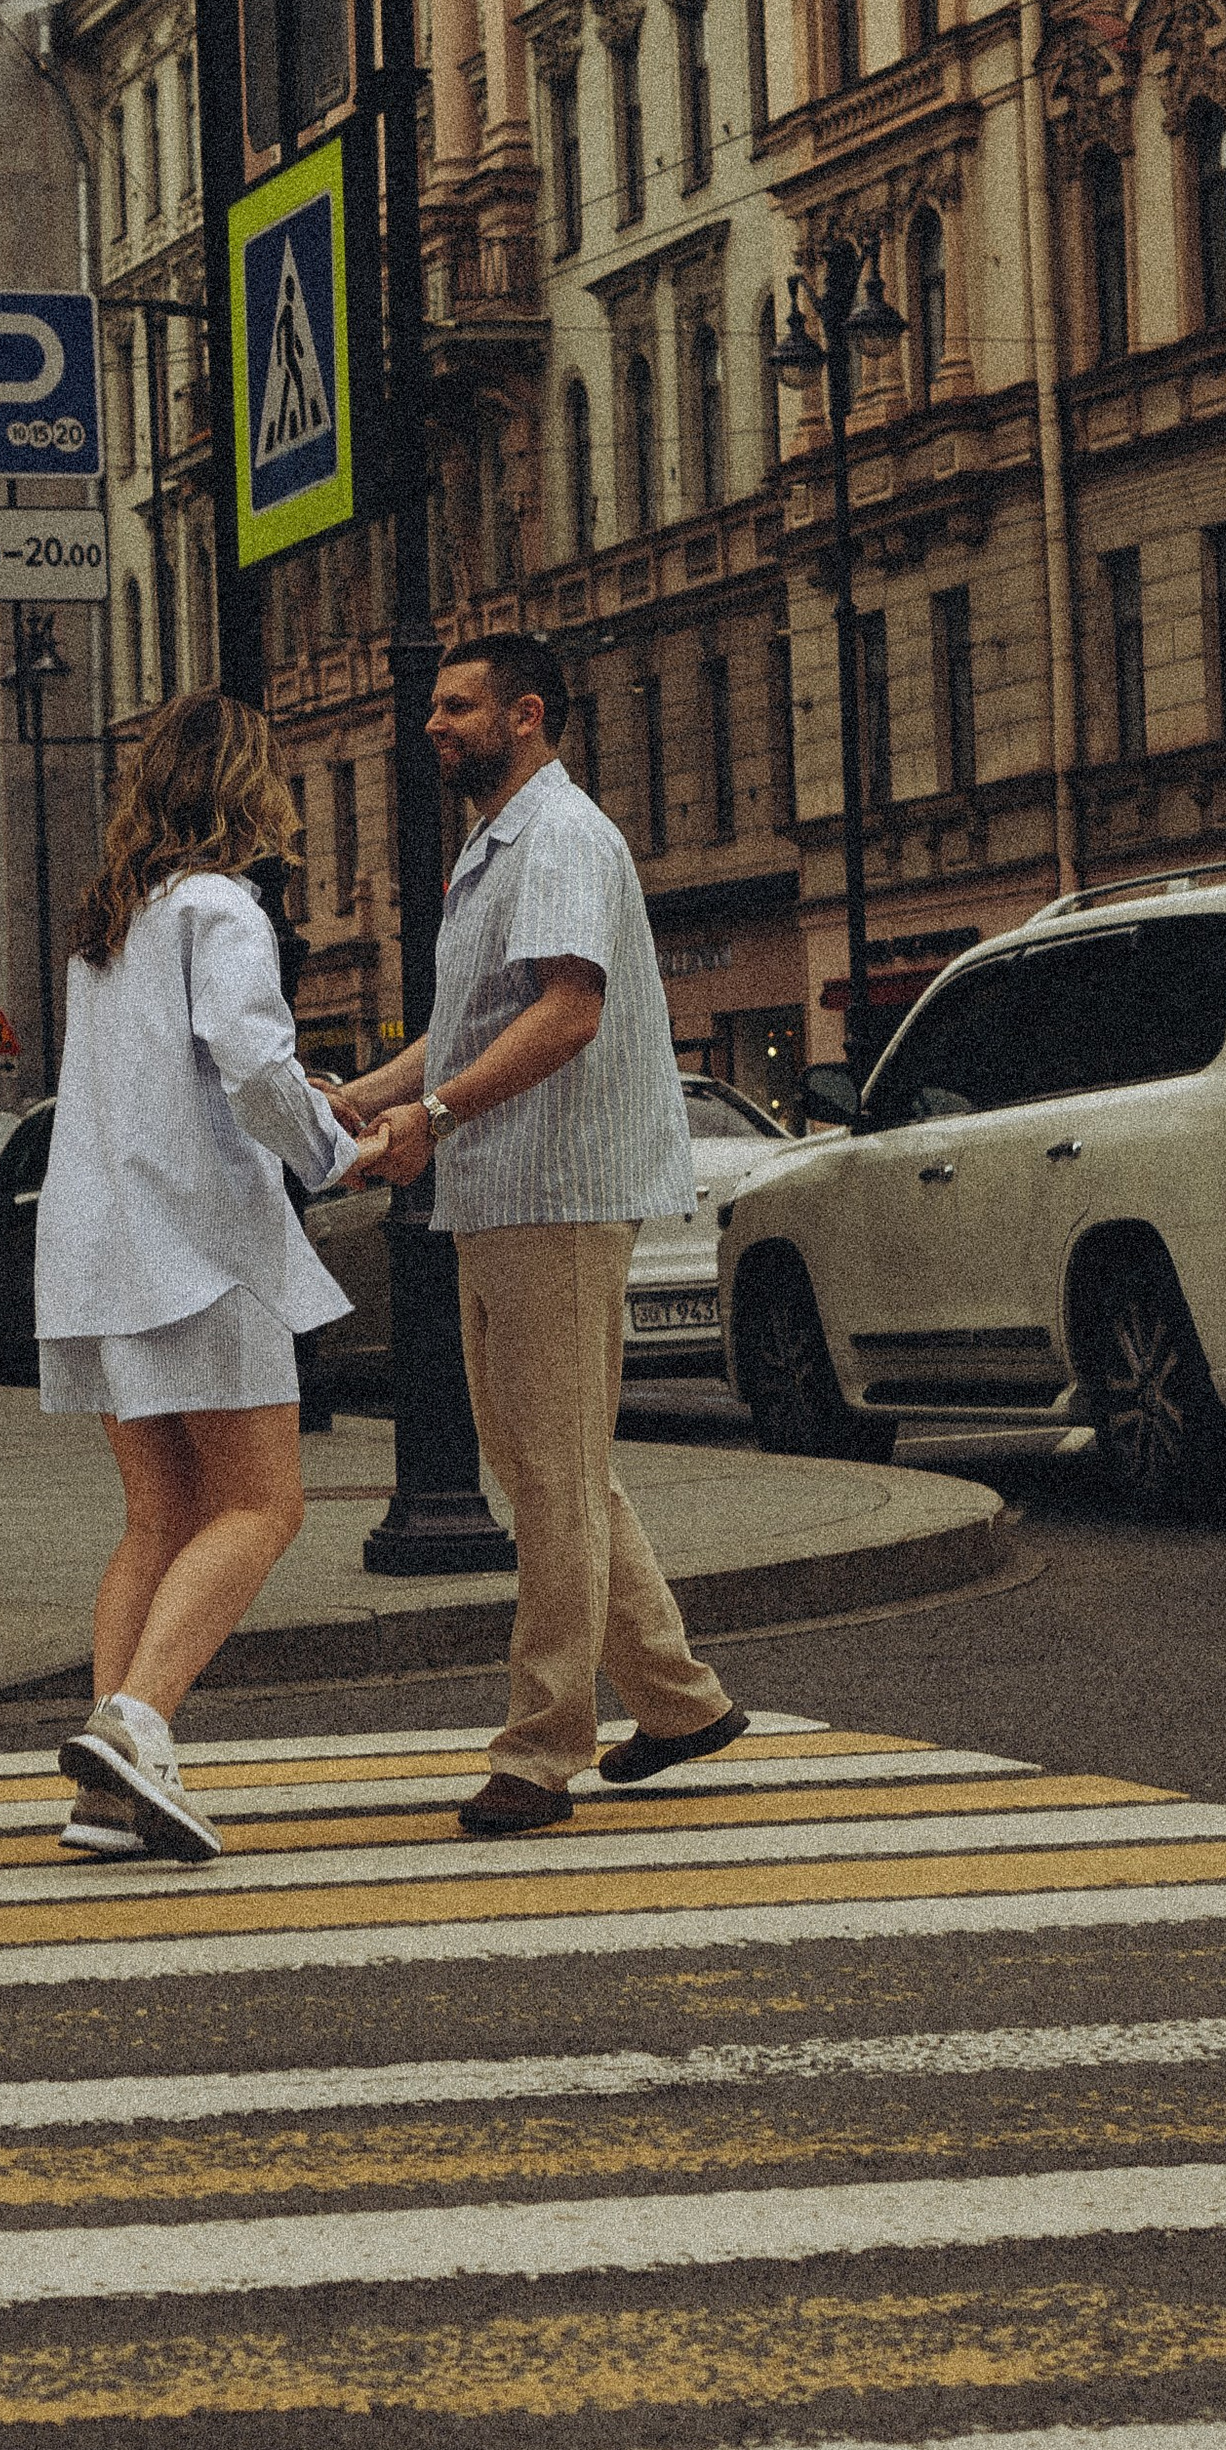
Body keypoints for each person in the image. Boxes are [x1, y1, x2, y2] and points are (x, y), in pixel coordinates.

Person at [334, 635, 746, 1836]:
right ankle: (676, 1699)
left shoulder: (560, 837)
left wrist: (435, 1111)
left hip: (555, 1194)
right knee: (542, 1467)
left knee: (552, 1477)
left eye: (455, 706)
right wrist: (365, 1099)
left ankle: (542, 1746)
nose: (432, 725)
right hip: (502, 1189)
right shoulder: (495, 844)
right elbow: (473, 1025)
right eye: (432, 706)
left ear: (526, 716)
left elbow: (570, 1009)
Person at [35, 689, 380, 1865]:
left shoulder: (111, 927)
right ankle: (135, 1727)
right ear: (248, 788)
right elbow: (248, 1062)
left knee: (158, 1518)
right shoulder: (222, 907)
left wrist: (298, 1100)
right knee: (261, 1506)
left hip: (103, 1249)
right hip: (200, 1252)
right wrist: (337, 1148)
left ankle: (105, 1793)